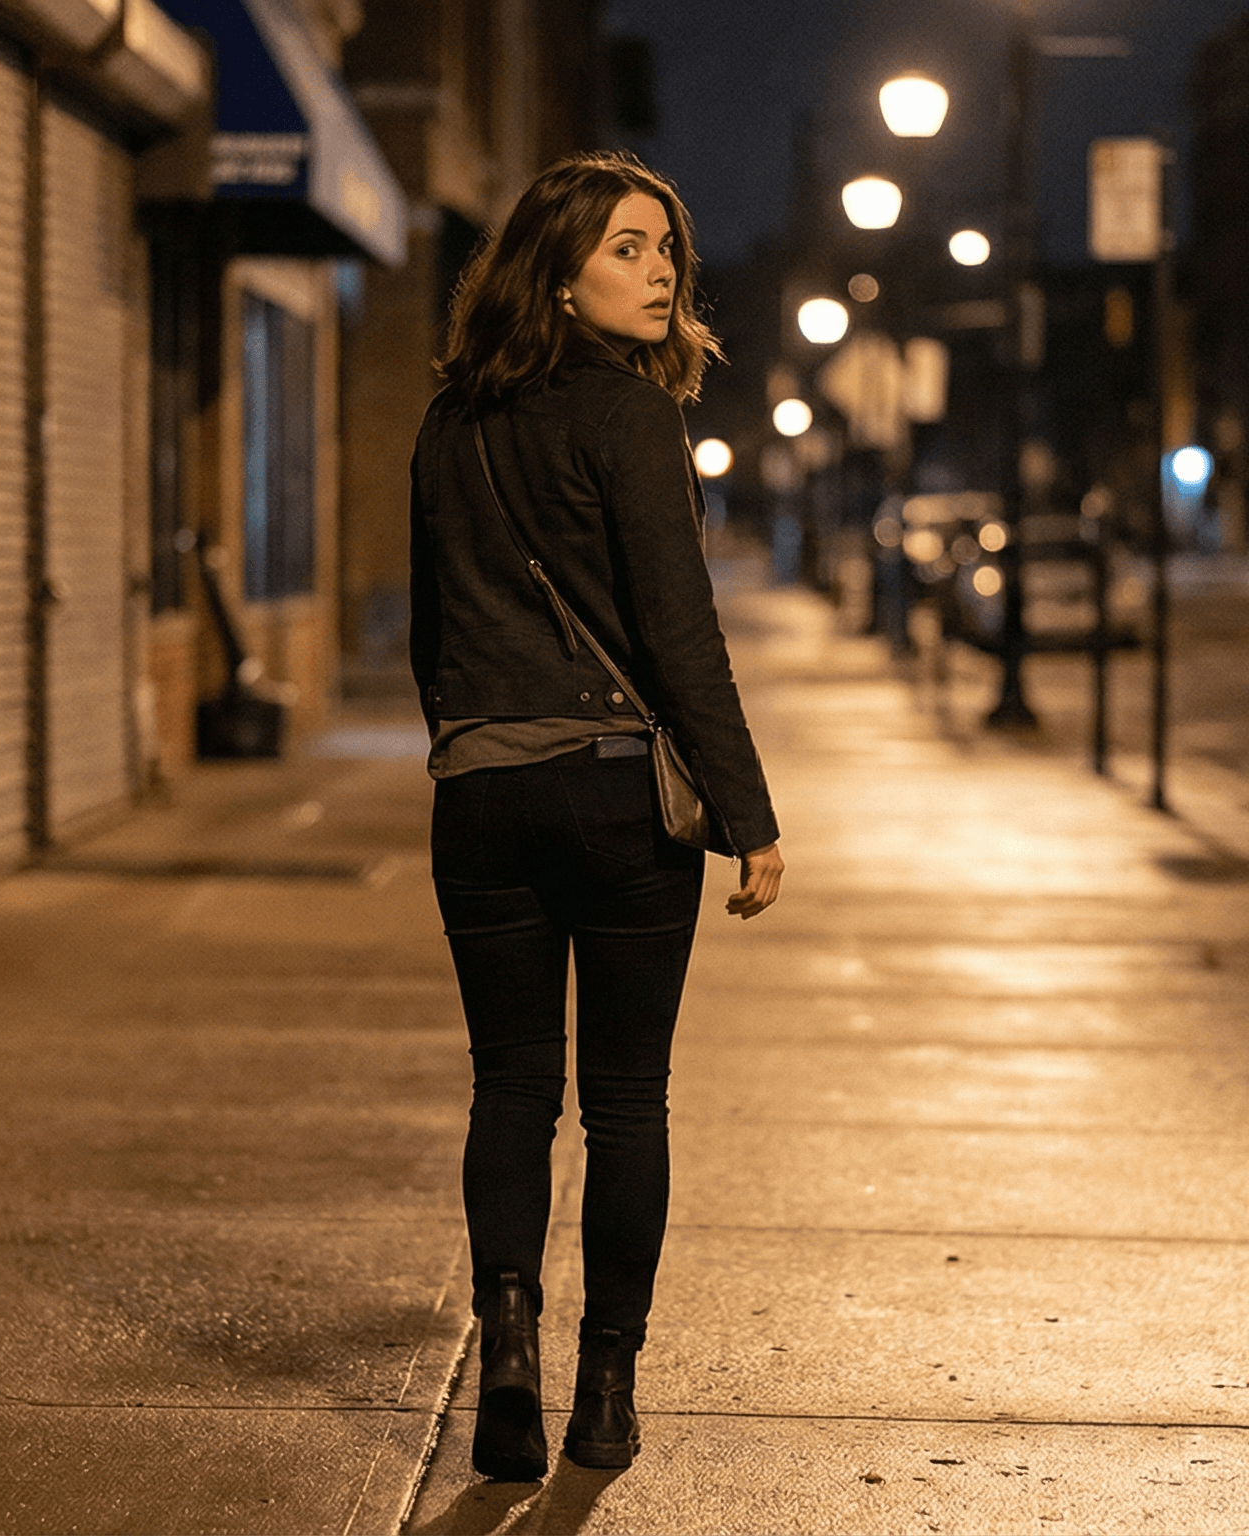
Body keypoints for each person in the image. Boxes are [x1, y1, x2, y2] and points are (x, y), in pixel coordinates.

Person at [409, 151, 785, 1480]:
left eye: (666, 247)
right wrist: (748, 815)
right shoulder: (631, 421)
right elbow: (682, 637)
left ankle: (507, 1337)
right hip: (621, 800)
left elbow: (428, 631)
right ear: (558, 279)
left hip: (484, 795)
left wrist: (467, 750)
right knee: (627, 1103)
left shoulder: (449, 424)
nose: (662, 268)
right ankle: (605, 1387)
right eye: (627, 247)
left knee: (510, 1086)